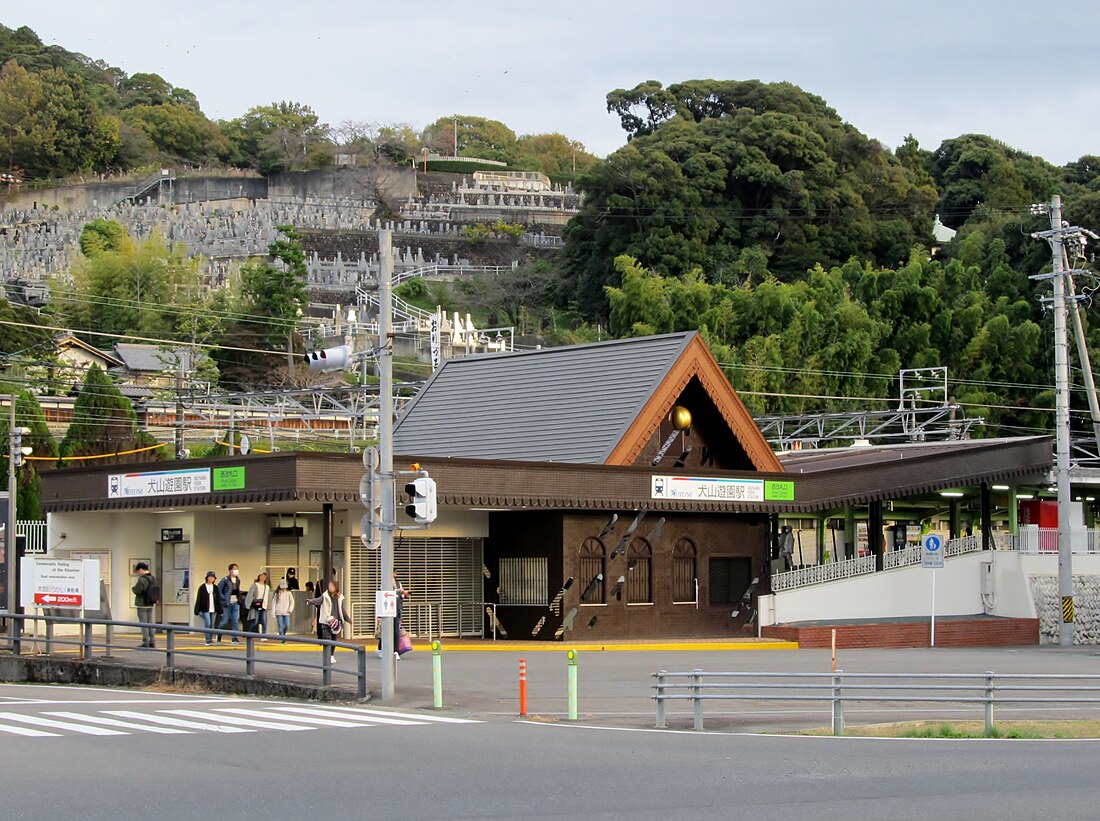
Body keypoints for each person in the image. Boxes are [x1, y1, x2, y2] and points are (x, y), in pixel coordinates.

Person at [307, 580, 351, 663]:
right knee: (328, 639)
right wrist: (310, 601)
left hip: (336, 622)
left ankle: (331, 655)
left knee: (334, 640)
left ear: (336, 587)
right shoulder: (325, 595)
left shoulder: (339, 597)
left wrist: (348, 619)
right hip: (326, 621)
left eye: (332, 586)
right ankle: (328, 656)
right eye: (329, 586)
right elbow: (318, 600)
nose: (330, 587)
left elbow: (342, 610)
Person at [130, 562, 158, 648]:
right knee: (150, 622)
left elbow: (138, 590)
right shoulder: (152, 578)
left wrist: (133, 589)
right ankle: (152, 641)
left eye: (138, 571)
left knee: (143, 623)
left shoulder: (142, 579)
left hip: (142, 604)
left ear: (141, 569)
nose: (138, 573)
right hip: (150, 603)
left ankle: (146, 641)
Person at [193, 570, 223, 645]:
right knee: (208, 623)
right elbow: (199, 599)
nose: (211, 579)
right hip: (205, 609)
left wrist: (220, 610)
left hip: (213, 609)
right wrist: (196, 610)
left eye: (213, 577)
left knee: (212, 625)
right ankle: (208, 639)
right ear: (207, 578)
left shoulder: (215, 588)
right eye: (210, 577)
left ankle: (210, 639)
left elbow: (218, 599)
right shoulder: (202, 587)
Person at [216, 563, 242, 643]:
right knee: (224, 621)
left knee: (235, 621)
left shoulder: (238, 580)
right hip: (227, 604)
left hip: (235, 603)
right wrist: (223, 598)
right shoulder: (225, 579)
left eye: (237, 569)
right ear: (230, 570)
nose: (236, 570)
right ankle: (219, 634)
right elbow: (218, 589)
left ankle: (234, 638)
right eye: (234, 569)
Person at [245, 572, 271, 638]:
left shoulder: (267, 587)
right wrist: (248, 605)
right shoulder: (255, 585)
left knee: (264, 622)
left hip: (263, 606)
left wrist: (268, 606)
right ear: (259, 577)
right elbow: (250, 595)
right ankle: (249, 634)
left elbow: (268, 597)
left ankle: (263, 636)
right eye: (262, 576)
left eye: (264, 576)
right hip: (255, 605)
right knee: (255, 621)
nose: (263, 577)